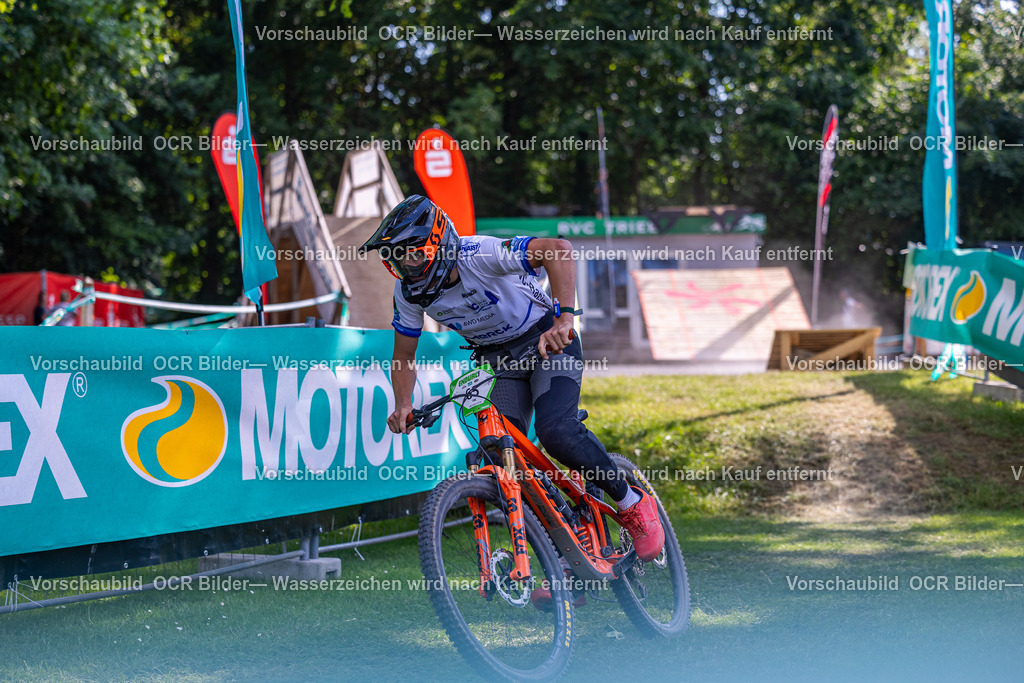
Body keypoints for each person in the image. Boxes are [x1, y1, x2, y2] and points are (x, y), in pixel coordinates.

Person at [358, 195, 665, 567]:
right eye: (396, 258)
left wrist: (564, 320)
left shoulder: (480, 254)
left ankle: (631, 502)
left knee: (557, 433)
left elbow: (559, 250)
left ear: (437, 242)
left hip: (546, 341)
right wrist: (403, 404)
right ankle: (567, 555)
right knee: (499, 457)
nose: (406, 265)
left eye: (413, 254)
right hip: (495, 359)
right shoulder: (408, 292)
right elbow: (404, 354)